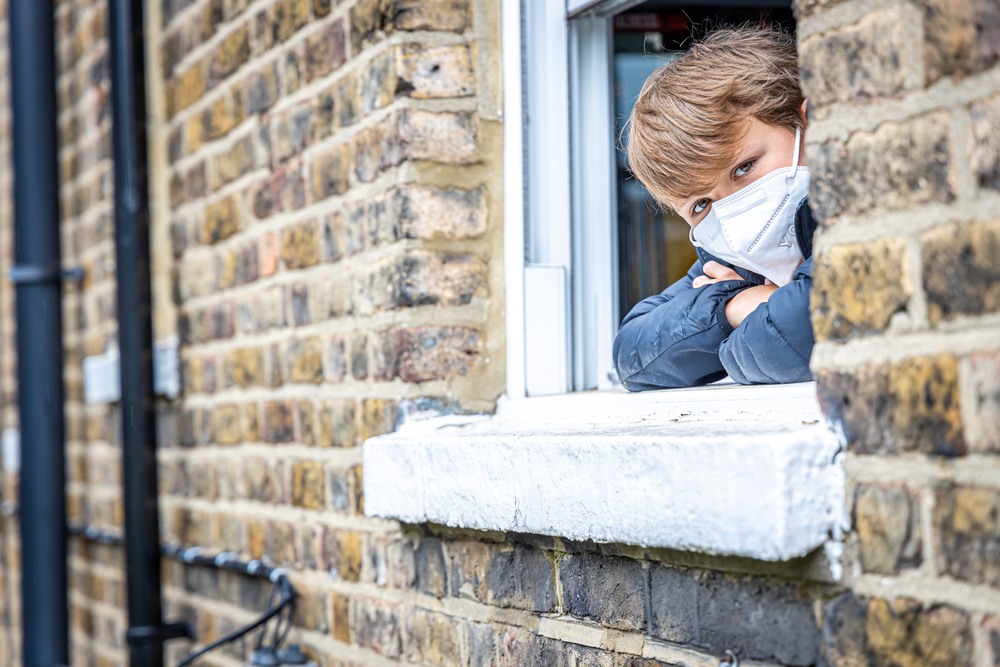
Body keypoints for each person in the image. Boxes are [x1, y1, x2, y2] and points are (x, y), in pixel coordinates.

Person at [613, 27, 816, 391]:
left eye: (743, 167)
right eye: (702, 204)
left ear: (807, 123)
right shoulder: (730, 262)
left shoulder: (853, 217)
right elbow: (631, 351)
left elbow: (807, 332)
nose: (731, 212)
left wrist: (761, 318)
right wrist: (730, 307)